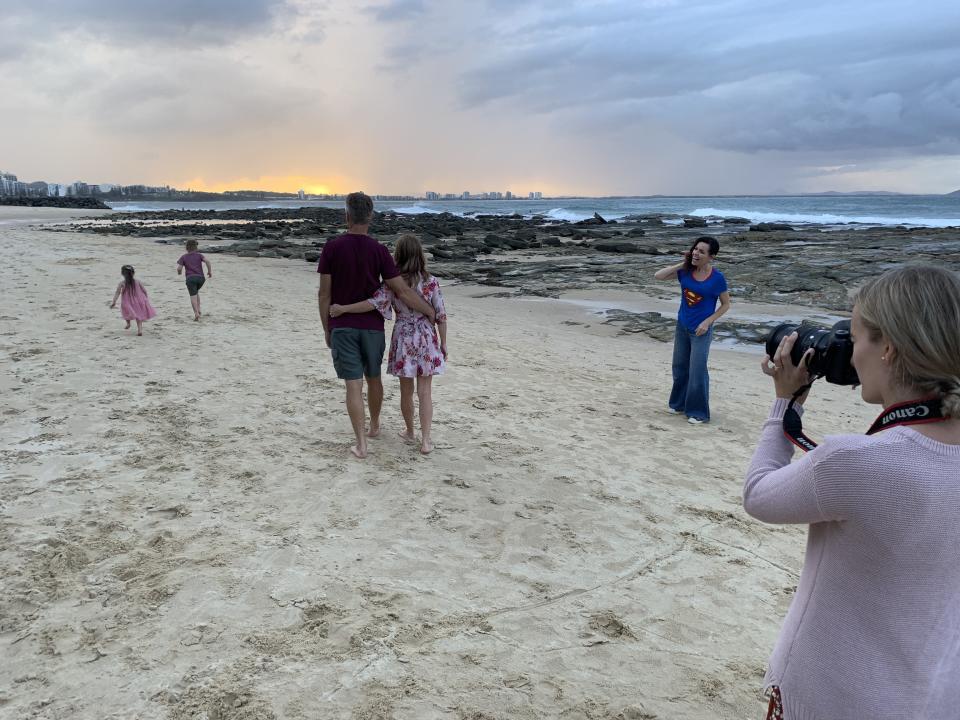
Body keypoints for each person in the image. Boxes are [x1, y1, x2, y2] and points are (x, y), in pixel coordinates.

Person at [744, 265, 960, 720]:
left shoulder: (855, 461)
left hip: (835, 694)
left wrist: (785, 402)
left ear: (889, 349)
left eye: (854, 335)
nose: (848, 351)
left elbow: (759, 495)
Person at [318, 192, 436, 459]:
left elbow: (324, 294)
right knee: (373, 378)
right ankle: (374, 424)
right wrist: (430, 311)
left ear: (347, 215)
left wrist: (327, 326)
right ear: (370, 216)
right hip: (372, 328)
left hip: (342, 326)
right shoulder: (380, 251)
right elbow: (402, 291)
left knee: (352, 385)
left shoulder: (332, 248)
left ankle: (361, 443)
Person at [330, 234, 448, 455]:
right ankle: (425, 441)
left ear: (399, 255)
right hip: (426, 336)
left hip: (404, 337)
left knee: (406, 391)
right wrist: (444, 343)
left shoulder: (392, 284)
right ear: (420, 255)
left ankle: (410, 431)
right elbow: (441, 315)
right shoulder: (431, 282)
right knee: (425, 392)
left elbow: (373, 303)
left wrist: (344, 309)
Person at [653, 236, 731, 424]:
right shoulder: (685, 271)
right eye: (695, 249)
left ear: (711, 256)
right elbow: (659, 276)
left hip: (701, 331)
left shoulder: (717, 278)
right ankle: (678, 404)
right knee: (679, 367)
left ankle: (698, 412)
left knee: (697, 370)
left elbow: (726, 305)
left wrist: (707, 322)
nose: (696, 253)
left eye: (702, 251)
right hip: (682, 325)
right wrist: (684, 262)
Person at [109, 264, 157, 336]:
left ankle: (128, 323)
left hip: (127, 302)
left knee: (125, 311)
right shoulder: (137, 282)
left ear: (122, 274)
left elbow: (117, 293)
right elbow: (144, 290)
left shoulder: (122, 283)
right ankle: (140, 330)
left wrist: (114, 301)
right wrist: (145, 298)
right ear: (133, 273)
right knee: (139, 316)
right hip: (139, 300)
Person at [176, 239, 212, 321]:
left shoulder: (184, 257)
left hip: (190, 278)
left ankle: (196, 313)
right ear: (196, 247)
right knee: (196, 293)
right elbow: (208, 262)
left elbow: (179, 268)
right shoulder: (199, 255)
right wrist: (209, 272)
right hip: (201, 278)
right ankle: (199, 309)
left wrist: (179, 273)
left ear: (187, 248)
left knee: (192, 296)